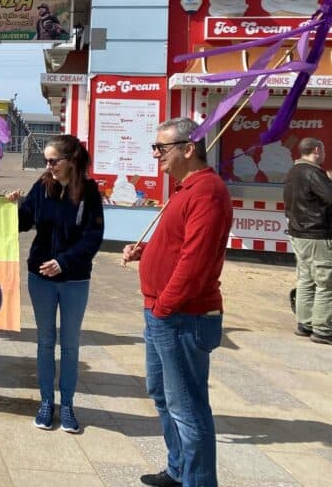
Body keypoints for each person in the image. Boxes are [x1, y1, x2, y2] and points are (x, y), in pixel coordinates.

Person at [122, 118, 232, 487]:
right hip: (163, 312)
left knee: (187, 407)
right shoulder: (186, 189)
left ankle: (198, 481)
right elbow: (177, 244)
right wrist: (146, 252)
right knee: (163, 395)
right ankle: (179, 469)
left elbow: (195, 261)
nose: (156, 154)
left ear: (188, 148)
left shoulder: (208, 192)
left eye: (161, 147)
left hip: (183, 316)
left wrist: (164, 307)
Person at [7, 134, 104, 433]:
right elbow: (24, 221)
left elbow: (93, 237)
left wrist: (64, 262)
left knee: (70, 344)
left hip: (74, 279)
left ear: (70, 161)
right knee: (46, 341)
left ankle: (68, 404)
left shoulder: (89, 191)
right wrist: (11, 208)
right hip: (41, 278)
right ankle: (46, 402)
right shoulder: (42, 186)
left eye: (53, 161)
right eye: (46, 161)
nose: (48, 166)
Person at [282, 137, 332, 344]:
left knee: (306, 279)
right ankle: (323, 329)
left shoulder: (293, 171)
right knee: (326, 283)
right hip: (317, 234)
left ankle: (305, 323)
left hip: (298, 233)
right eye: (324, 151)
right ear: (317, 150)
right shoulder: (313, 173)